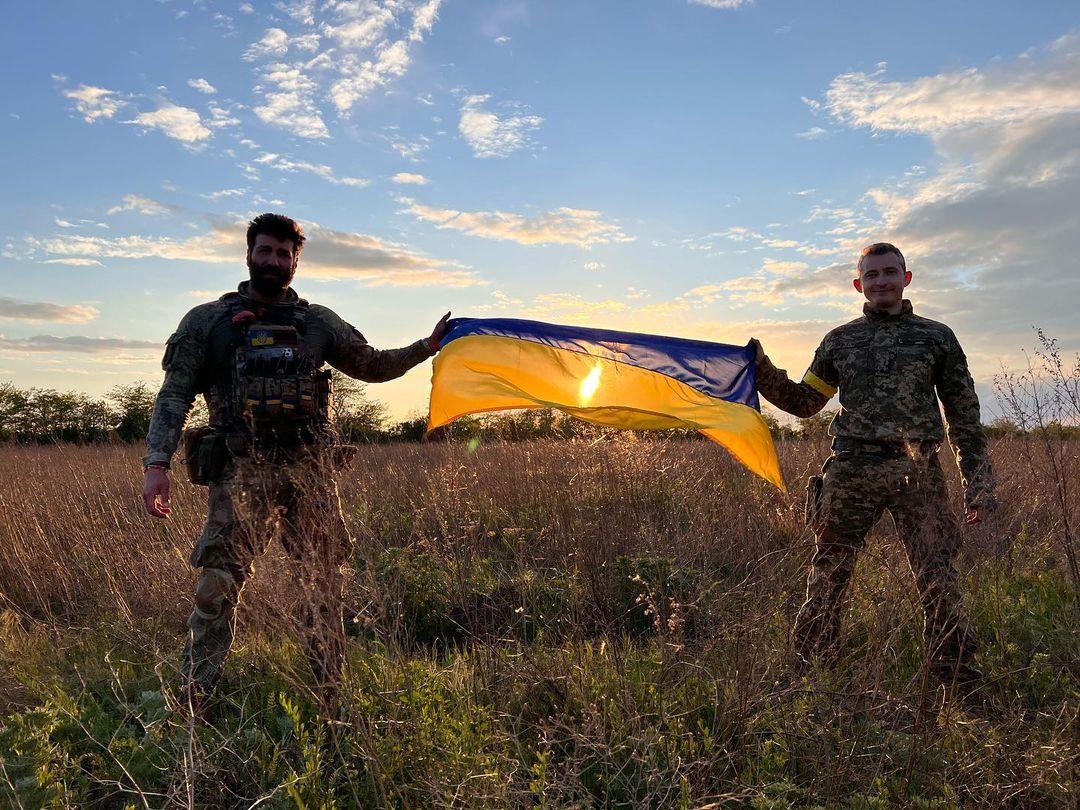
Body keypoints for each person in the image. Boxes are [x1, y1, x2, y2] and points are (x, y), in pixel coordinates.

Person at [142, 212, 449, 707]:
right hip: (241, 473)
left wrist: (426, 347)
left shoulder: (318, 323)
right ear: (248, 254)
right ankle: (195, 699)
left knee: (323, 586)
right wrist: (157, 464)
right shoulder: (208, 322)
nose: (273, 260)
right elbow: (174, 395)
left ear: (296, 261)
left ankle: (332, 698)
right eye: (265, 251)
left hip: (311, 475)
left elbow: (372, 365)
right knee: (216, 588)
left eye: (284, 254)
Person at [752, 242, 994, 691]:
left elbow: (964, 416)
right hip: (851, 471)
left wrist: (978, 487)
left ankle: (958, 682)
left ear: (906, 278)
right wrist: (759, 367)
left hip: (917, 472)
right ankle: (810, 676)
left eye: (890, 272)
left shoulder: (936, 337)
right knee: (828, 574)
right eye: (873, 274)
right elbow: (806, 403)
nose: (881, 281)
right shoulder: (841, 340)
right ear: (858, 283)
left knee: (938, 578)